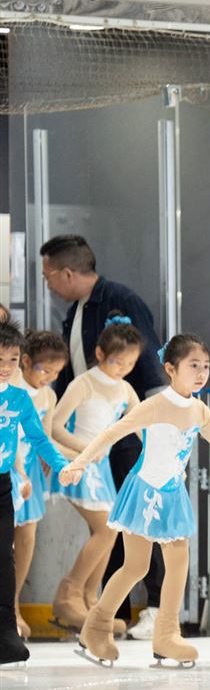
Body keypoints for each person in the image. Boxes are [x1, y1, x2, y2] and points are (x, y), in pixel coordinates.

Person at [61, 333, 210, 668]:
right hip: (144, 491)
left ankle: (166, 634)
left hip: (173, 494)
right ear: (170, 369)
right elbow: (111, 433)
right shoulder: (155, 405)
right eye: (193, 365)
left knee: (178, 563)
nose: (201, 373)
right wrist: (78, 463)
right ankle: (97, 626)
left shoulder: (199, 411)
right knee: (136, 566)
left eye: (205, 366)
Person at [41, 234, 168, 639]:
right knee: (111, 526)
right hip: (89, 438)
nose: (47, 284)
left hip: (123, 437)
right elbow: (69, 384)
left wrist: (160, 437)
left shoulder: (120, 300)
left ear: (66, 273)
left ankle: (156, 605)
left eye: (48, 276)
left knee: (137, 519)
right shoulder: (75, 312)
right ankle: (103, 605)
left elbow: (150, 367)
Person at [48, 315, 141, 635]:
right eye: (118, 362)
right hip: (77, 464)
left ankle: (89, 601)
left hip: (100, 470)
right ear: (100, 354)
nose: (123, 369)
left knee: (109, 531)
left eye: (131, 363)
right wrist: (85, 449)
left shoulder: (125, 389)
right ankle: (68, 595)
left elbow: (140, 425)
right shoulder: (83, 383)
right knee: (105, 529)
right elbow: (54, 425)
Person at [0, 322, 74, 667]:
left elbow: (39, 437)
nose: (5, 366)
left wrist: (61, 465)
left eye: (11, 359)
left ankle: (6, 630)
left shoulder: (20, 398)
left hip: (7, 482)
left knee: (6, 556)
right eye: (0, 359)